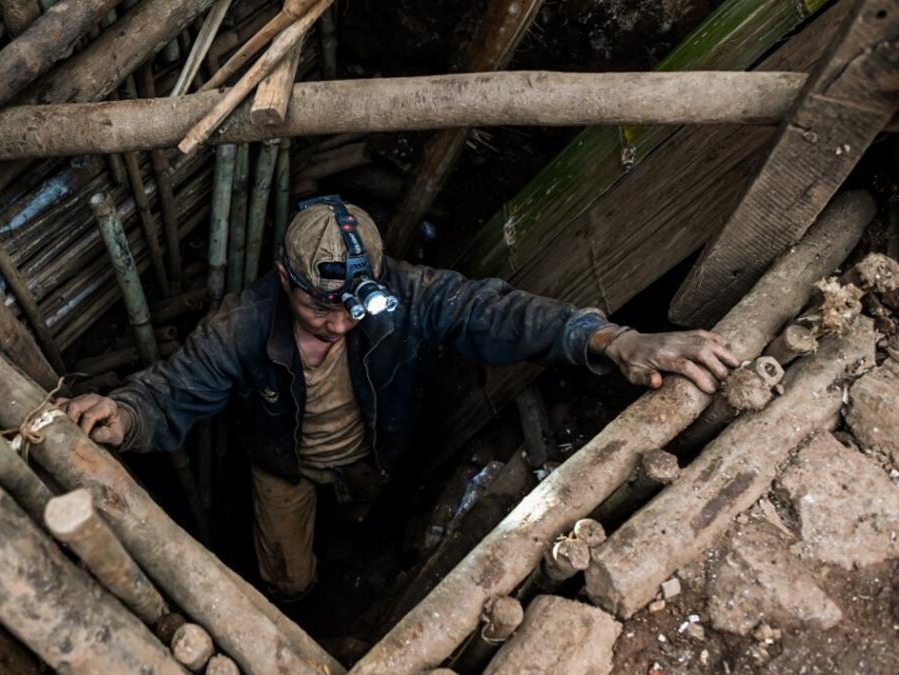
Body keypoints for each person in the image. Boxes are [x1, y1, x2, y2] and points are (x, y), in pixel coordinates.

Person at [59, 196, 738, 600]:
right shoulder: (241, 325)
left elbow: (492, 312)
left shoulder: (404, 297)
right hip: (282, 465)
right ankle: (294, 608)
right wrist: (122, 415)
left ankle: (361, 548)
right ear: (282, 279)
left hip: (375, 450)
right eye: (317, 307)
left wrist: (610, 339)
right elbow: (176, 390)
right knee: (287, 574)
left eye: (353, 308)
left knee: (370, 519)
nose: (338, 323)